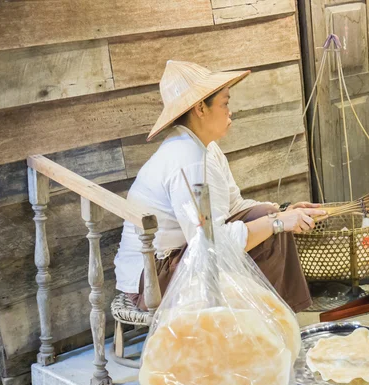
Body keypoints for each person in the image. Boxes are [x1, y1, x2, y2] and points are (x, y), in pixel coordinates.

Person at [113, 61, 326, 313]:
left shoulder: (205, 148)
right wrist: (277, 222)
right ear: (200, 108)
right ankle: (265, 321)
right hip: (154, 277)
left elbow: (234, 206)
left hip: (186, 251)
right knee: (271, 226)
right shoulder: (187, 158)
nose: (230, 111)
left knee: (268, 219)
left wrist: (281, 210)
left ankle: (278, 319)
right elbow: (208, 247)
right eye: (224, 104)